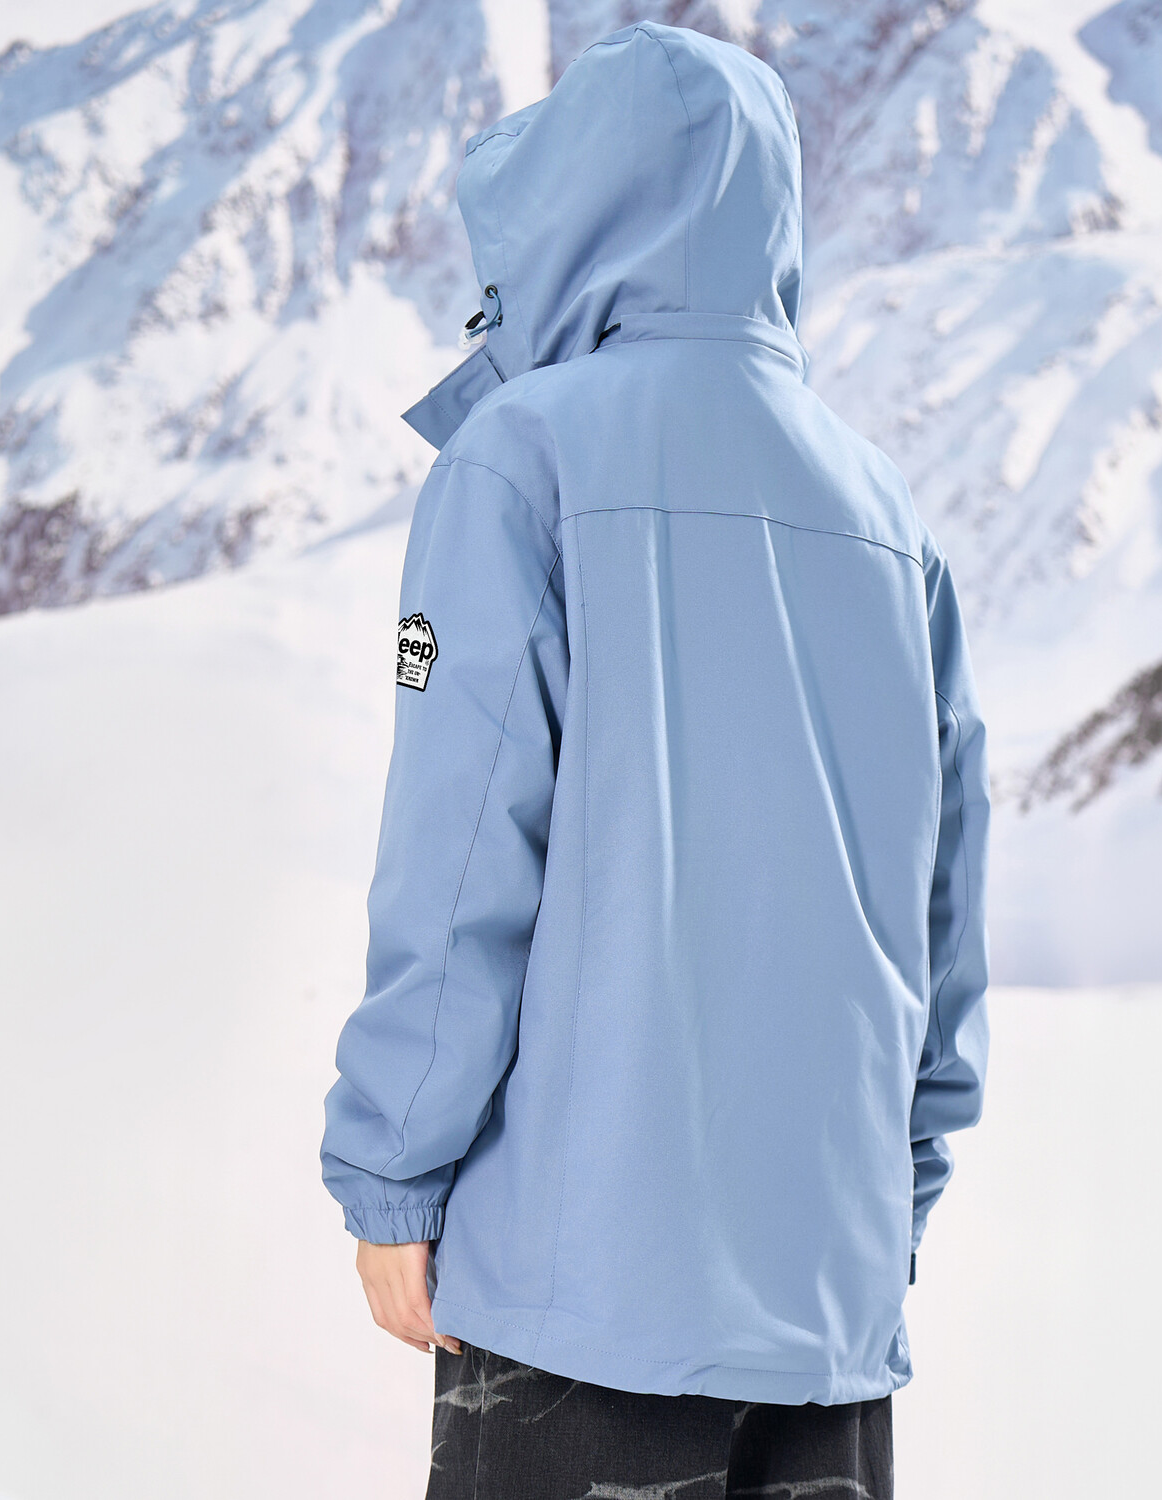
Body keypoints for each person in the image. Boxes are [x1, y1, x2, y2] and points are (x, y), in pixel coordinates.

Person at [320, 19, 990, 1499]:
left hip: (581, 1298)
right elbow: (944, 908)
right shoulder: (889, 515)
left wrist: (390, 1169)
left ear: (565, 205)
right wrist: (893, 1199)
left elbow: (462, 851)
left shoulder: (525, 455)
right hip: (829, 1302)